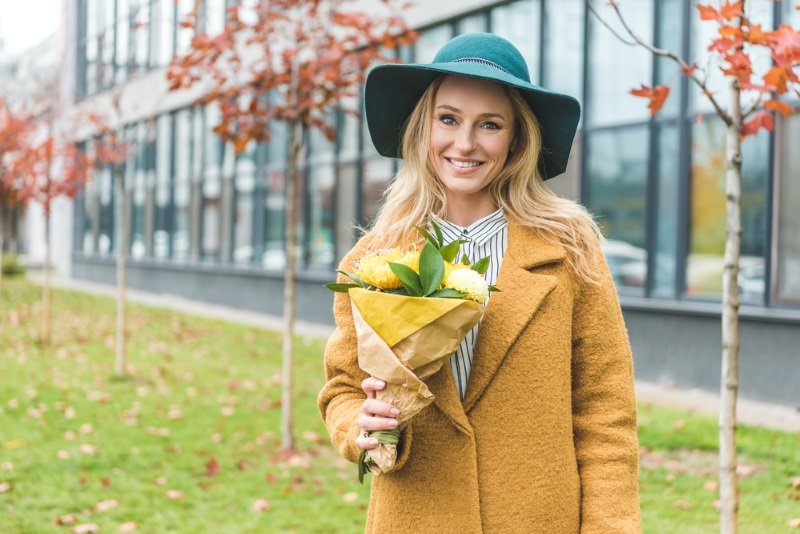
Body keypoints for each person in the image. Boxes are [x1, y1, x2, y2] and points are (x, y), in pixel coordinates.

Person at [318, 32, 640, 533]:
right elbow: (342, 387)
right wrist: (358, 424)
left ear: (517, 138)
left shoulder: (570, 249)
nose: (464, 143)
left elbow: (605, 414)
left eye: (489, 124)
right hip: (416, 515)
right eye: (448, 119)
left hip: (539, 518)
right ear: (423, 128)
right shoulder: (373, 259)